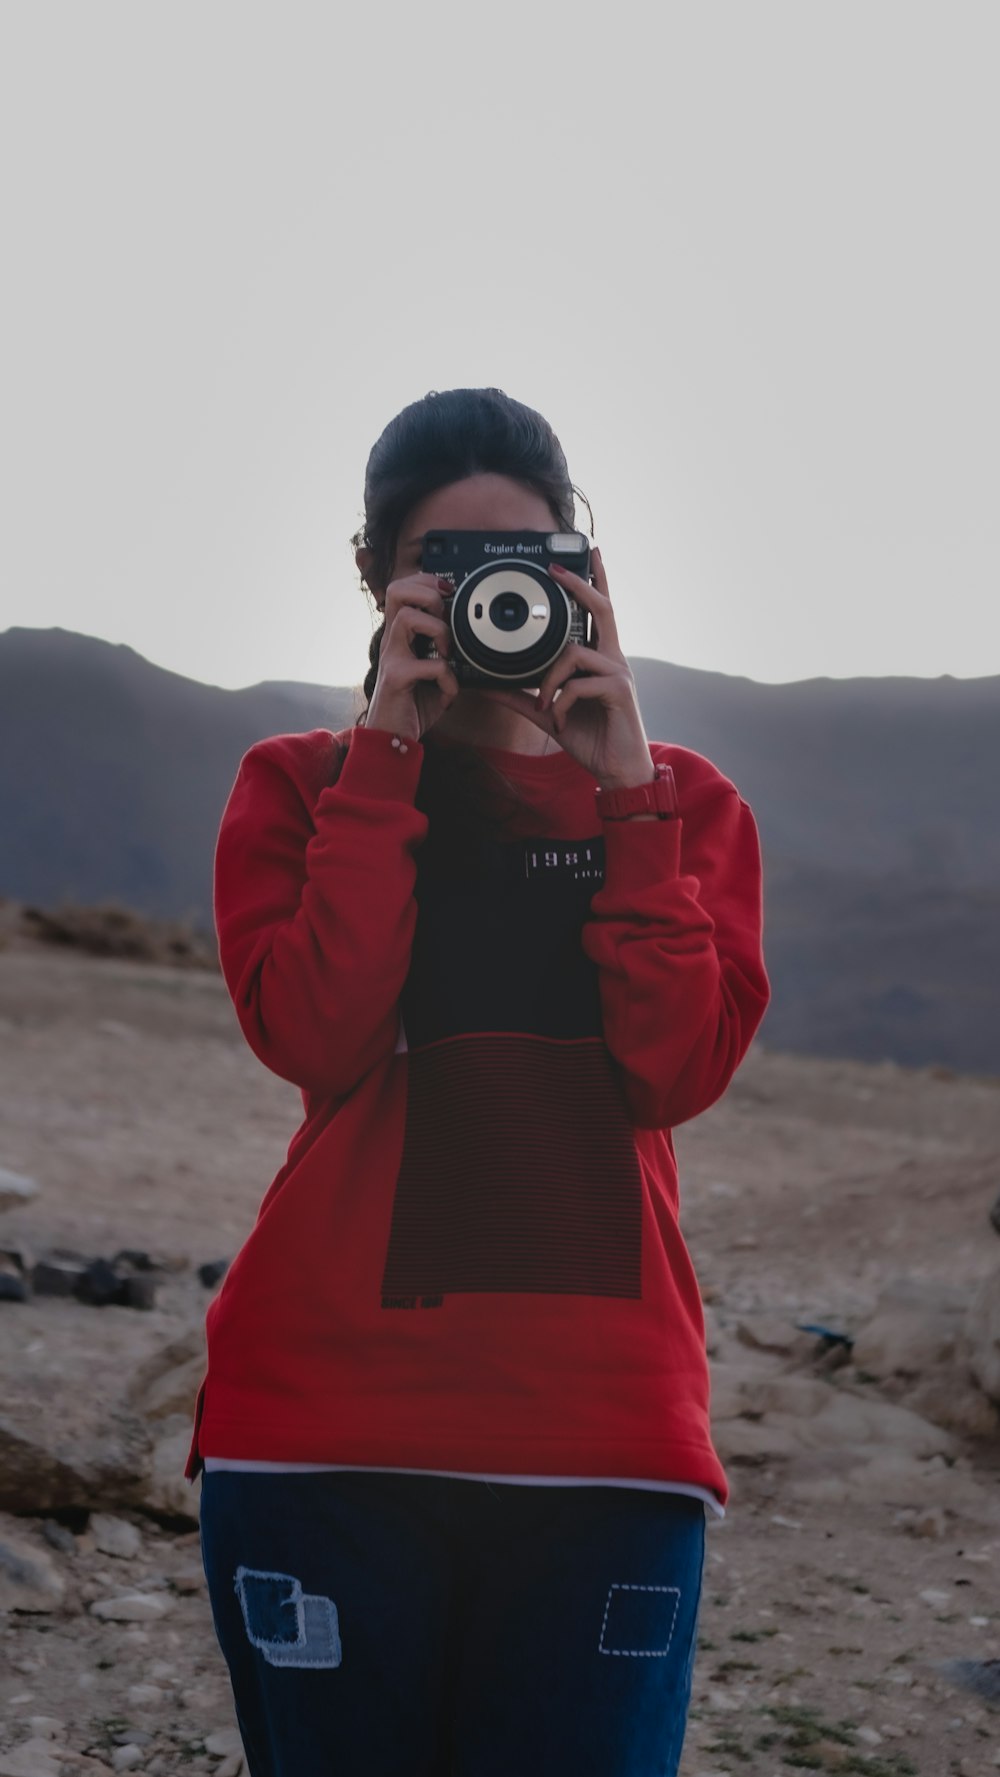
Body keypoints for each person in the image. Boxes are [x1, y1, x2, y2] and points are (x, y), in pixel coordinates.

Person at [191, 387, 770, 1777]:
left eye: (528, 560)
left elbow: (675, 1066)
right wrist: (387, 754)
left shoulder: (687, 804)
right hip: (319, 1438)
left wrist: (625, 789)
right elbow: (319, 1035)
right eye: (446, 569)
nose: (491, 596)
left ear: (582, 572)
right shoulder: (299, 784)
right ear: (377, 581)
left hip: (606, 1449)